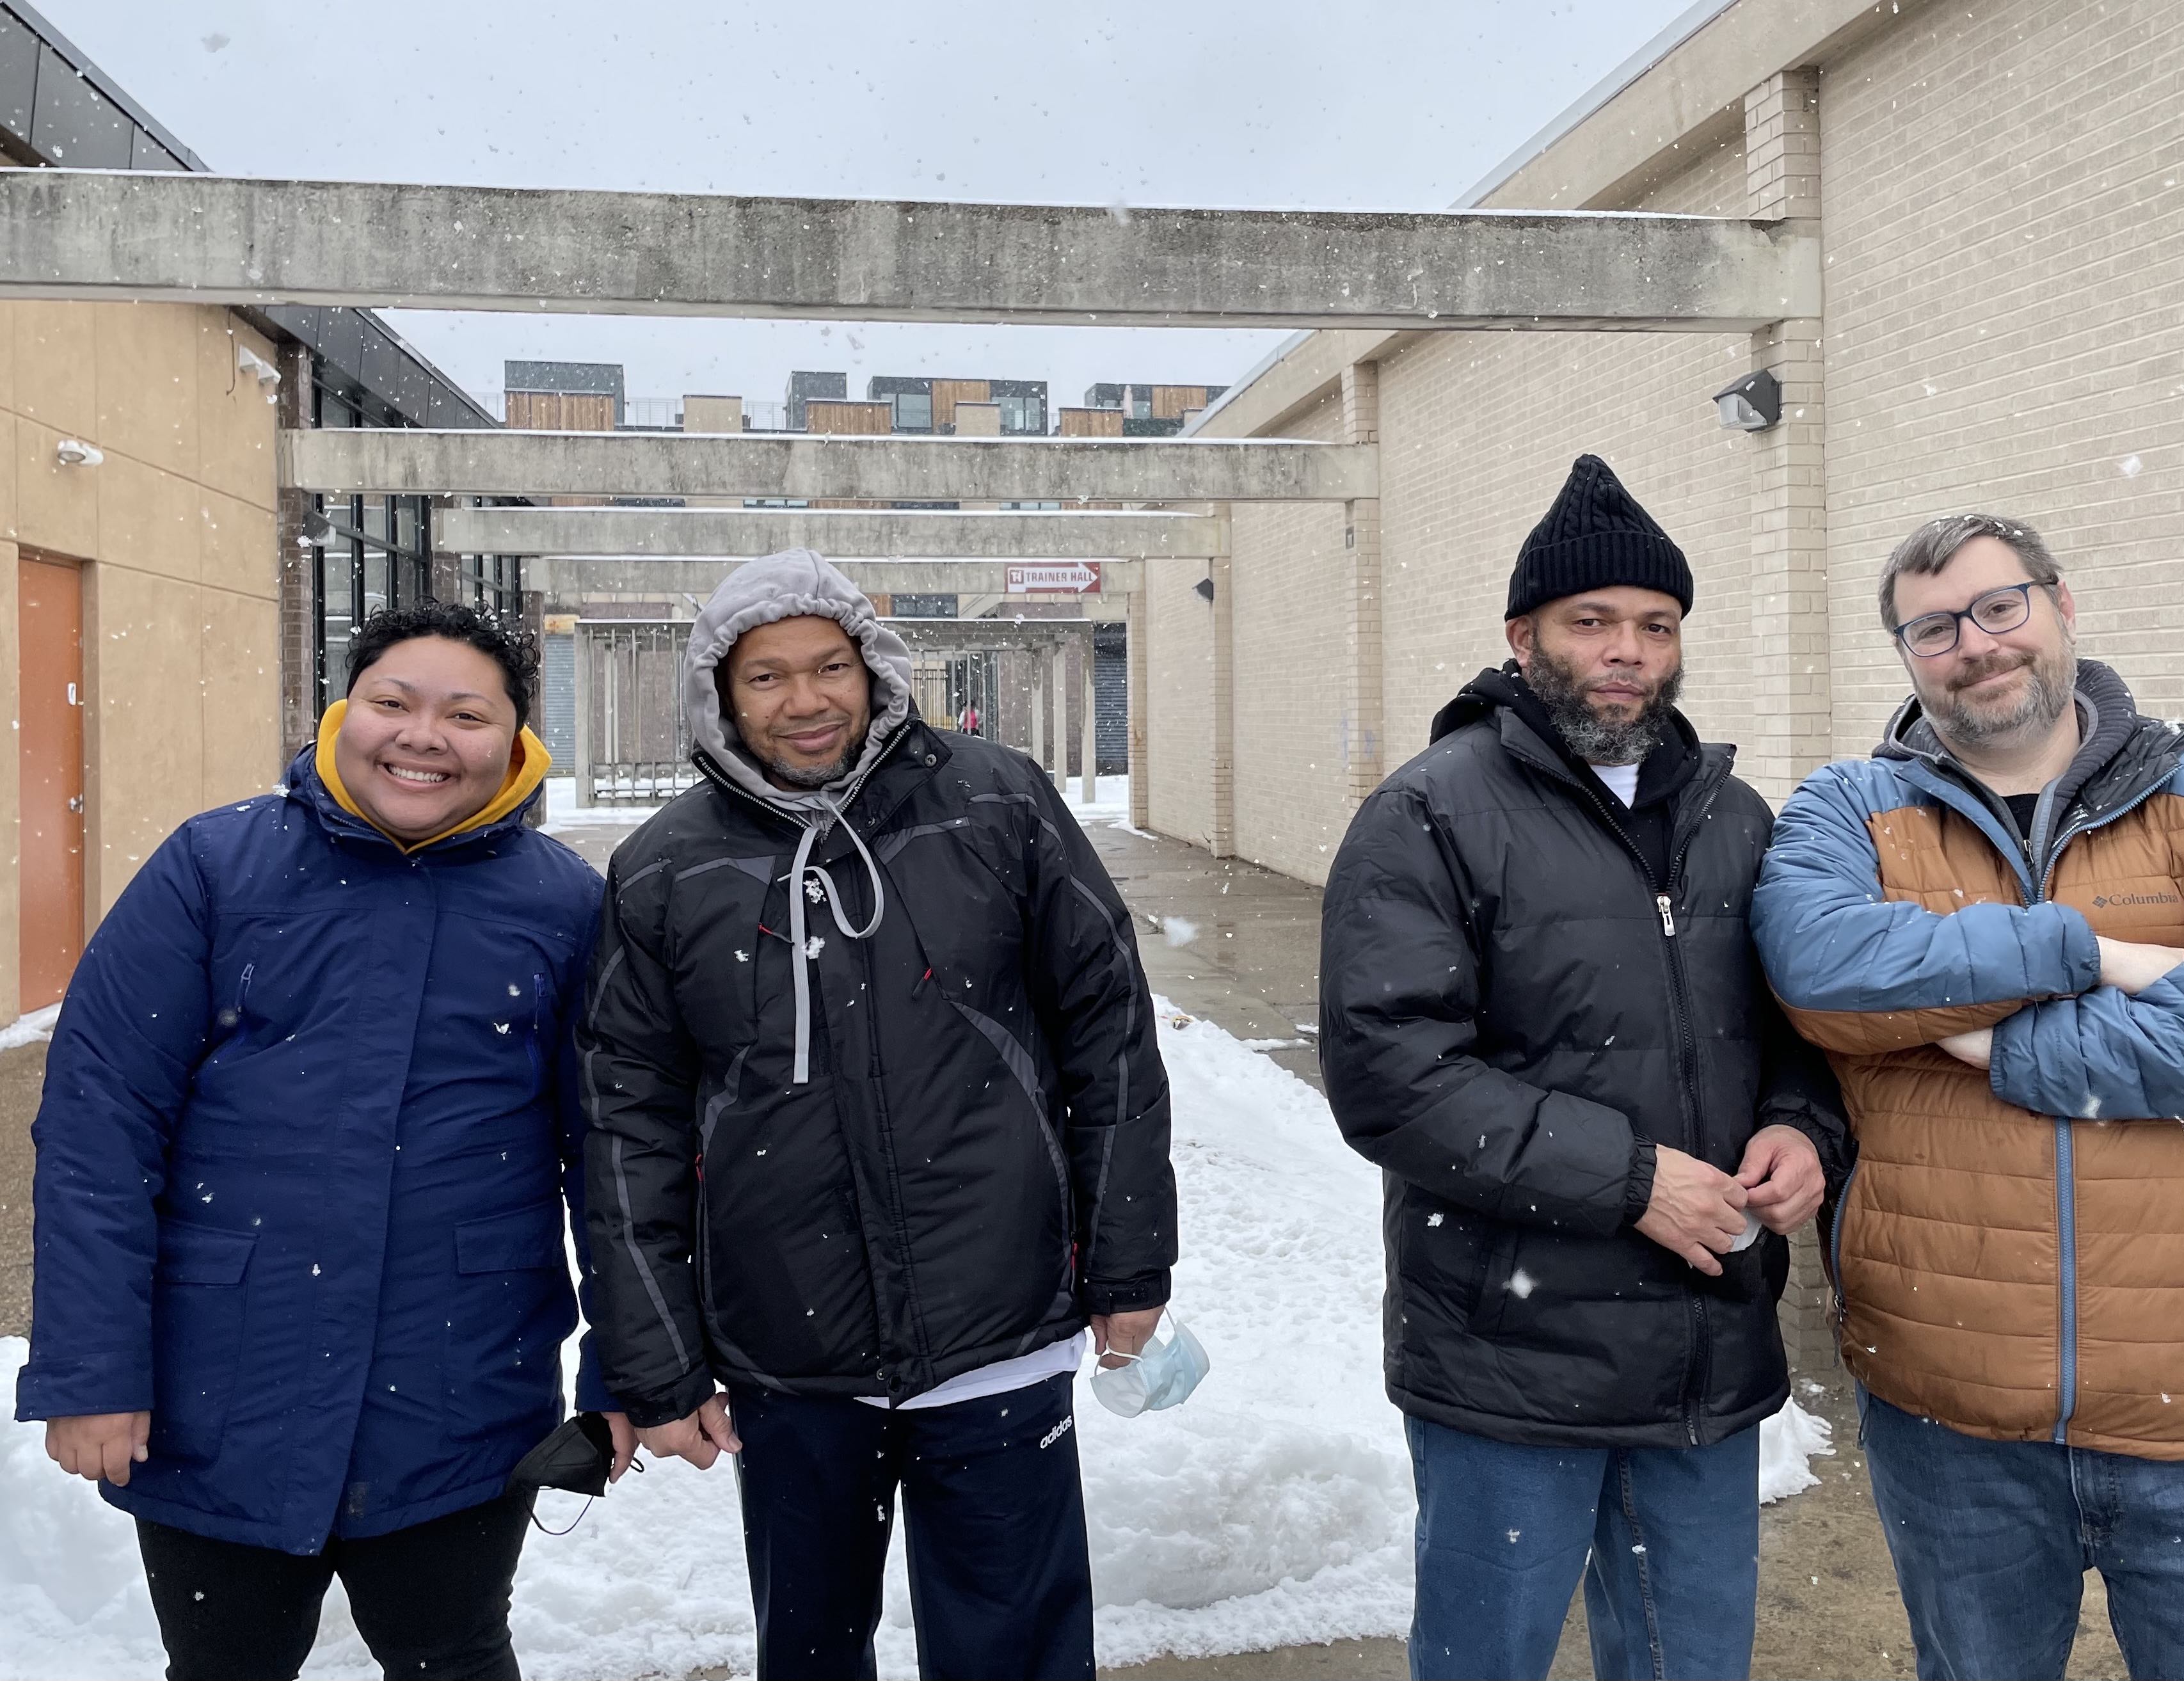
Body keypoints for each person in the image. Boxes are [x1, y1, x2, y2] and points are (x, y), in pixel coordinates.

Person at [1751, 513, 2184, 1681]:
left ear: (2060, 606)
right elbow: (1822, 972)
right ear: (1904, 652)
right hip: (1949, 1407)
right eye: (1932, 627)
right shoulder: (1848, 809)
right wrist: (2097, 950)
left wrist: (1996, 1044)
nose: (1974, 644)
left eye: (2000, 606)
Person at [578, 549, 1175, 1681]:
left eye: (829, 667)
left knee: (1018, 1653)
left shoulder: (996, 802)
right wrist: (655, 1361)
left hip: (995, 1335)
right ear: (719, 693)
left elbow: (1109, 1032)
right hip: (787, 1352)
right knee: (807, 1655)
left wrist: (1131, 1264)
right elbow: (628, 1124)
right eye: (766, 677)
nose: (805, 702)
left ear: (873, 668)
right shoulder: (664, 869)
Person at [15, 601, 620, 1681]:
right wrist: (90, 1367)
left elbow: (614, 1157)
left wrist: (628, 1368)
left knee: (457, 1657)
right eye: (393, 702)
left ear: (520, 740)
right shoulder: (216, 868)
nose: (423, 737)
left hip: (461, 1389)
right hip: (219, 1381)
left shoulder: (564, 906)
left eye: (465, 714)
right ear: (345, 711)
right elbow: (99, 1126)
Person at [1318, 456, 1849, 1681]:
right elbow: (1392, 1073)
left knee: (1688, 1660)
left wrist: (1800, 1131)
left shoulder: (1736, 818)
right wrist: (1632, 1181)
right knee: (1484, 1658)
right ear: (1523, 636)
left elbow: (1796, 1034)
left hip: (1706, 1345)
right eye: (1591, 622)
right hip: (1510, 1354)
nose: (1626, 651)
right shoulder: (1430, 814)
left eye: (1654, 627)